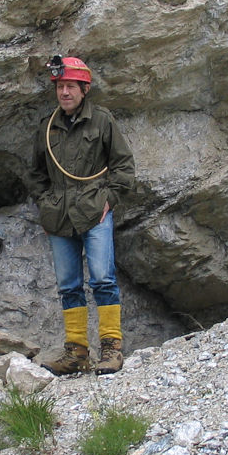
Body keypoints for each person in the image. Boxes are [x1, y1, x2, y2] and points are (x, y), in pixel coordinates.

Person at [27, 56, 135, 375]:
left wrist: (108, 200)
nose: (64, 92)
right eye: (60, 86)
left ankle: (111, 348)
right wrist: (46, 204)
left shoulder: (102, 121)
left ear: (84, 89)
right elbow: (35, 174)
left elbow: (124, 166)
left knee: (103, 279)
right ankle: (76, 353)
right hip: (59, 216)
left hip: (94, 211)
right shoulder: (48, 127)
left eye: (71, 86)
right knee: (68, 285)